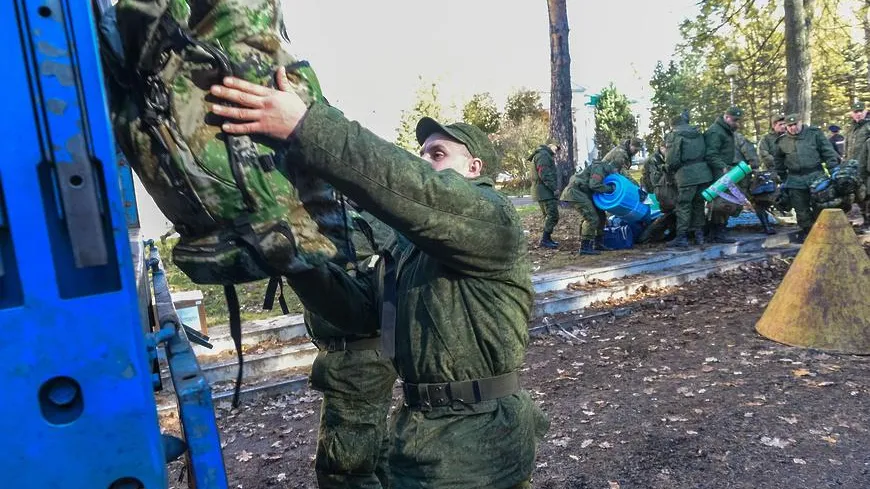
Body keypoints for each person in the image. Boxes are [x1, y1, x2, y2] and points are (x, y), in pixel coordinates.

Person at [207, 68, 548, 488]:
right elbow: (359, 313)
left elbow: (414, 188)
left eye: (437, 154)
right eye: (420, 153)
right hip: (421, 438)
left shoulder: (491, 216)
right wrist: (295, 260)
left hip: (480, 446)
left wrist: (306, 126)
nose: (423, 161)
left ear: (474, 167)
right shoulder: (410, 249)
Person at [304, 209, 400, 489]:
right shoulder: (373, 215)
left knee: (344, 473)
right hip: (375, 353)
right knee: (375, 454)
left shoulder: (340, 222)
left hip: (356, 361)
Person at [774, 113, 841, 242]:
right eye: (790, 125)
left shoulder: (814, 134)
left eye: (795, 124)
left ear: (801, 122)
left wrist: (833, 170)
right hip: (795, 180)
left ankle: (825, 234)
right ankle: (809, 235)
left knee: (821, 207)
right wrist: (783, 178)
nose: (793, 128)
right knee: (801, 210)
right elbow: (778, 161)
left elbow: (827, 152)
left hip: (816, 175)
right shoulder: (782, 141)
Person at [665, 114, 712, 247]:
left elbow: (672, 160)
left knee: (683, 205)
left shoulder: (674, 135)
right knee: (699, 204)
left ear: (672, 125)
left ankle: (682, 237)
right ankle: (699, 236)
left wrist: (668, 169)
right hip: (703, 174)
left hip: (686, 176)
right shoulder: (698, 133)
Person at [559, 160, 618, 255]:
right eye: (617, 169)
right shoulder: (600, 168)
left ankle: (598, 243)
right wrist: (610, 189)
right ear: (613, 167)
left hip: (584, 193)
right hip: (576, 192)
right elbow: (594, 185)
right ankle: (585, 246)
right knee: (591, 218)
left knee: (601, 216)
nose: (617, 172)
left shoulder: (606, 171)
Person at [704, 106, 744, 243]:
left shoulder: (725, 131)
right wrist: (723, 167)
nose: (737, 123)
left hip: (724, 171)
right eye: (734, 120)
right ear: (726, 117)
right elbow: (711, 154)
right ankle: (717, 233)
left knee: (726, 201)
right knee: (721, 202)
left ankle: (717, 232)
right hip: (718, 172)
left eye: (738, 120)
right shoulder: (716, 131)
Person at [734, 132, 775, 234]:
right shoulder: (736, 137)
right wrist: (754, 167)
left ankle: (766, 225)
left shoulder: (736, 137)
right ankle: (766, 226)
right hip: (738, 174)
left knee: (756, 200)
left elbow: (751, 154)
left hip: (739, 173)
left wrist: (754, 168)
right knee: (756, 200)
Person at [528, 143, 561, 249]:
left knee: (549, 216)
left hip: (543, 191)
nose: (556, 151)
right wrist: (554, 188)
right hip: (545, 192)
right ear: (550, 145)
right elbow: (544, 173)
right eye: (556, 147)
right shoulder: (543, 155)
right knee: (553, 215)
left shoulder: (543, 154)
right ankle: (545, 240)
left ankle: (547, 239)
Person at [845, 101, 870, 231]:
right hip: (853, 167)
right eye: (856, 112)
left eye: (861, 111)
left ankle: (868, 221)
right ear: (852, 114)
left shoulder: (868, 127)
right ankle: (865, 219)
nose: (859, 114)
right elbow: (847, 147)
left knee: (868, 194)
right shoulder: (851, 128)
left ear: (865, 112)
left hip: (866, 167)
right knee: (859, 195)